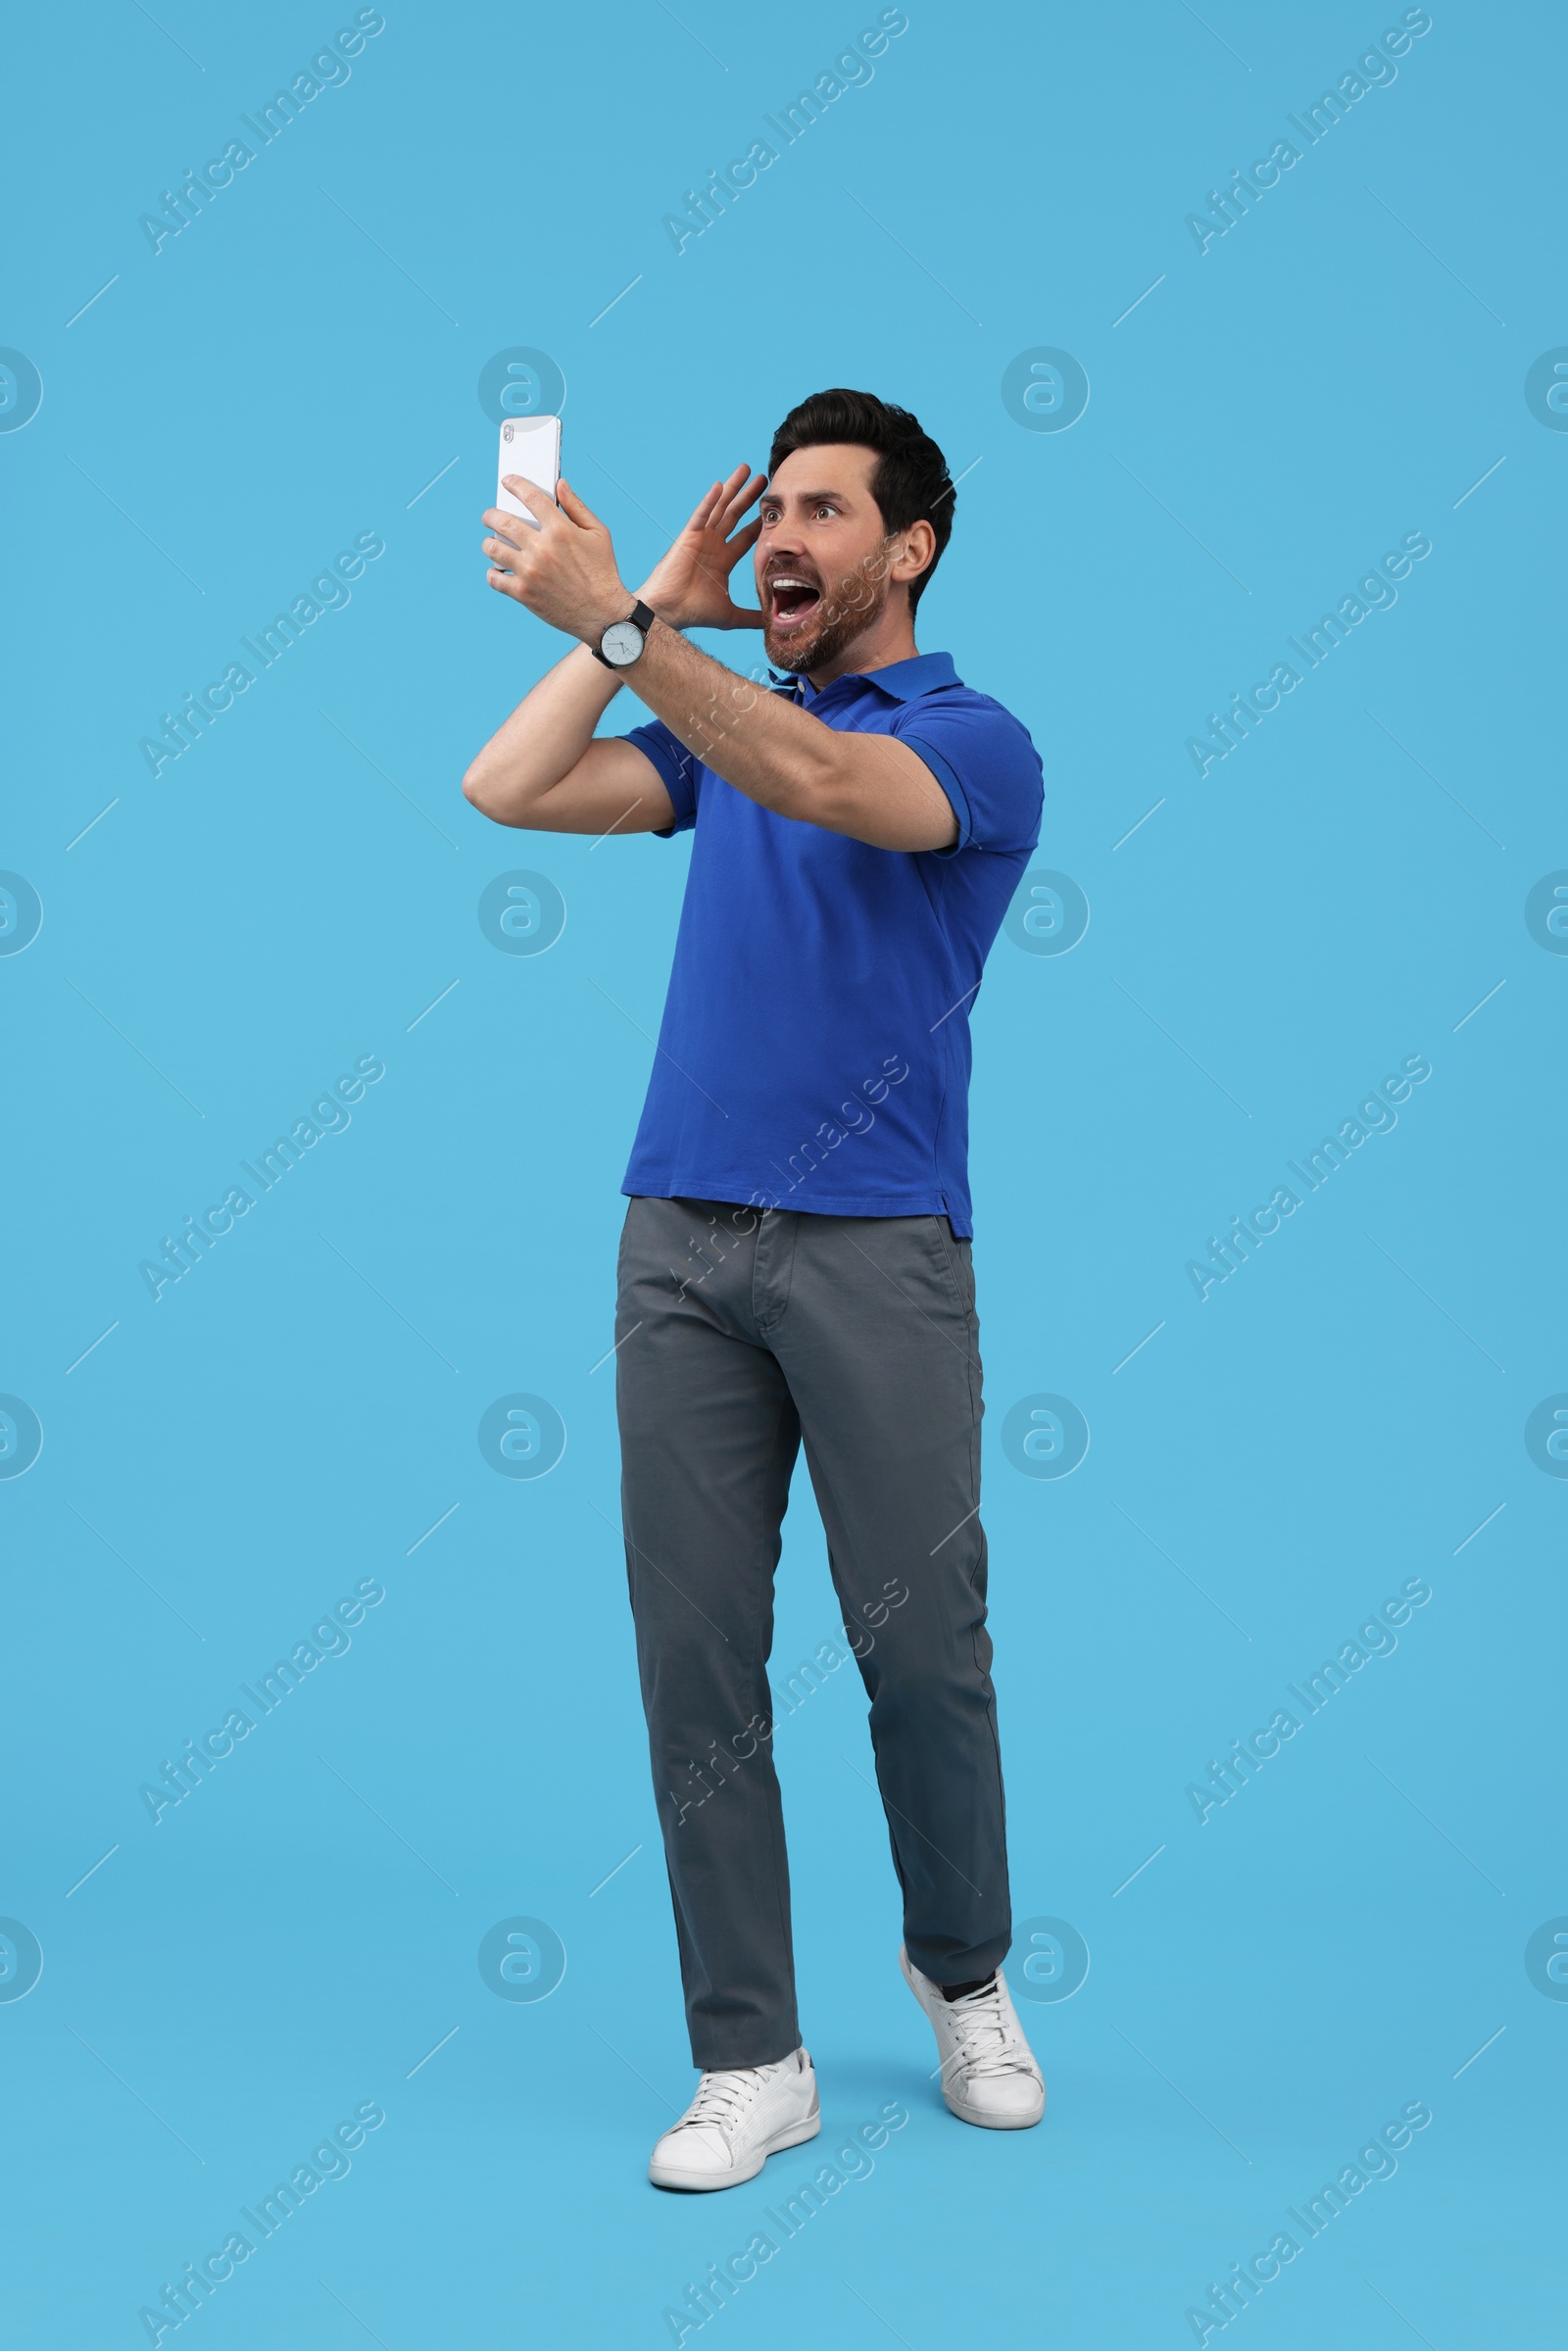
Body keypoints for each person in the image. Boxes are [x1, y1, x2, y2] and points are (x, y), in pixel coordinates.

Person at [463, 388, 1046, 2191]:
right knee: (694, 1661)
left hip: (878, 1244)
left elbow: (819, 781)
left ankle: (963, 1974)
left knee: (920, 1652)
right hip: (681, 1248)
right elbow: (512, 784)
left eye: (823, 511)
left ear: (911, 544)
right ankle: (752, 2056)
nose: (783, 535)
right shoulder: (726, 723)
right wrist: (640, 610)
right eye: (768, 511)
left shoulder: (975, 739)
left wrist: (624, 625)